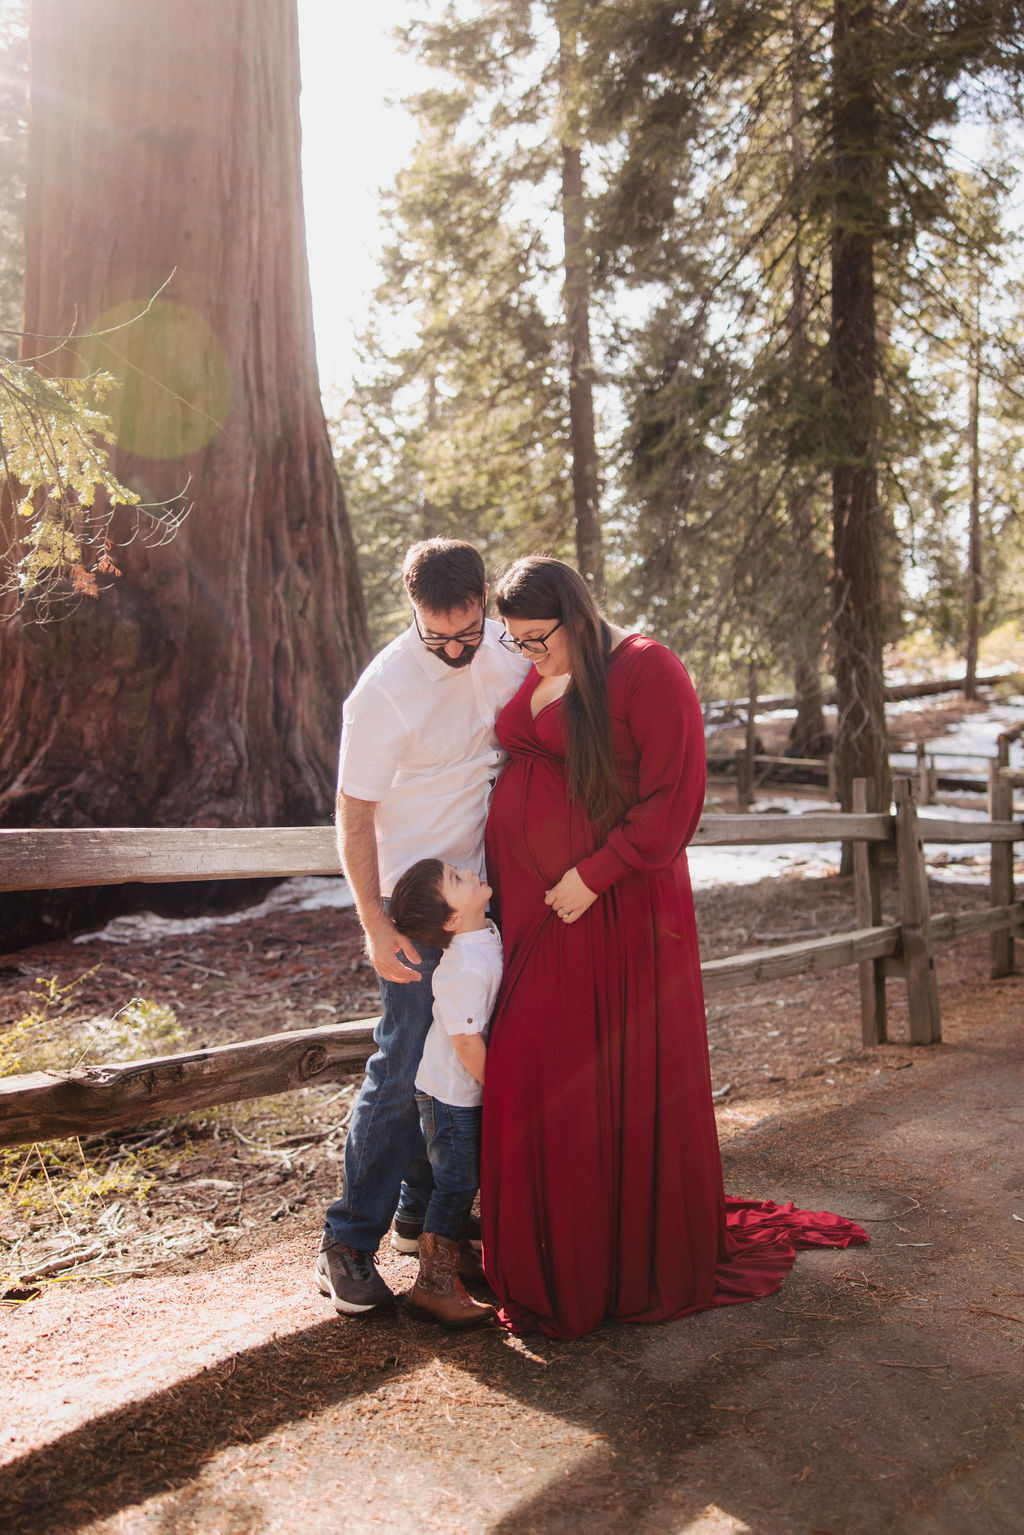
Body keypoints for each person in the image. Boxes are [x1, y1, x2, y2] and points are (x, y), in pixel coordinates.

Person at [481, 556, 867, 1339]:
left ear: (578, 616)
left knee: (574, 1073)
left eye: (536, 639)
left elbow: (675, 796)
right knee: (542, 1068)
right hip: (537, 916)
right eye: (515, 643)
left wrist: (594, 873)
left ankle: (611, 1263)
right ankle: (550, 1257)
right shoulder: (545, 664)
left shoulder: (647, 669)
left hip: (611, 911)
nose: (527, 656)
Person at [316, 539, 527, 1316]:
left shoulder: (504, 644)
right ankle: (347, 1240)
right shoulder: (382, 693)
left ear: (481, 601)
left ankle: (420, 1216)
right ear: (413, 611)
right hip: (414, 910)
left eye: (465, 631)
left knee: (453, 1068)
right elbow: (355, 814)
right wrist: (374, 922)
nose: (453, 648)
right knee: (403, 1067)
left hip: (479, 900)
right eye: (436, 634)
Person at [387, 856, 502, 1328]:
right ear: (452, 919)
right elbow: (464, 1041)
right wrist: (501, 1089)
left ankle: (455, 1261)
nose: (466, 871)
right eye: (456, 879)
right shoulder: (461, 969)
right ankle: (433, 1284)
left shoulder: (483, 934)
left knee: (462, 1176)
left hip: (462, 1087)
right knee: (456, 1180)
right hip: (452, 1093)